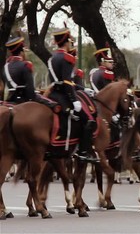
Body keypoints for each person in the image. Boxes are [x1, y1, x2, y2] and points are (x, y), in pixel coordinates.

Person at [47, 28, 99, 163]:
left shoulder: (52, 58)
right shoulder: (66, 58)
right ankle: (82, 153)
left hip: (52, 94)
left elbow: (61, 81)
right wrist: (74, 100)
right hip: (63, 95)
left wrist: (83, 89)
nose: (71, 44)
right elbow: (67, 82)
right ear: (66, 42)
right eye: (70, 41)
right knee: (89, 120)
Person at [2, 36, 37, 104]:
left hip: (10, 98)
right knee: (53, 105)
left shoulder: (5, 67)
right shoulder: (25, 65)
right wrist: (32, 99)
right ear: (21, 50)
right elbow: (30, 88)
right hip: (24, 98)